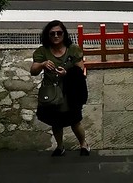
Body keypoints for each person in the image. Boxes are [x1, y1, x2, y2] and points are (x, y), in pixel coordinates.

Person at [30, 21, 90, 156]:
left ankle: (83, 144)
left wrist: (67, 73)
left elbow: (80, 69)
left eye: (59, 33)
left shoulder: (73, 49)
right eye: (52, 34)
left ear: (64, 34)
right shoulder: (42, 51)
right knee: (56, 122)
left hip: (70, 91)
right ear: (48, 35)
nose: (56, 36)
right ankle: (60, 146)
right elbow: (33, 70)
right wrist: (42, 65)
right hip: (53, 92)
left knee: (75, 120)